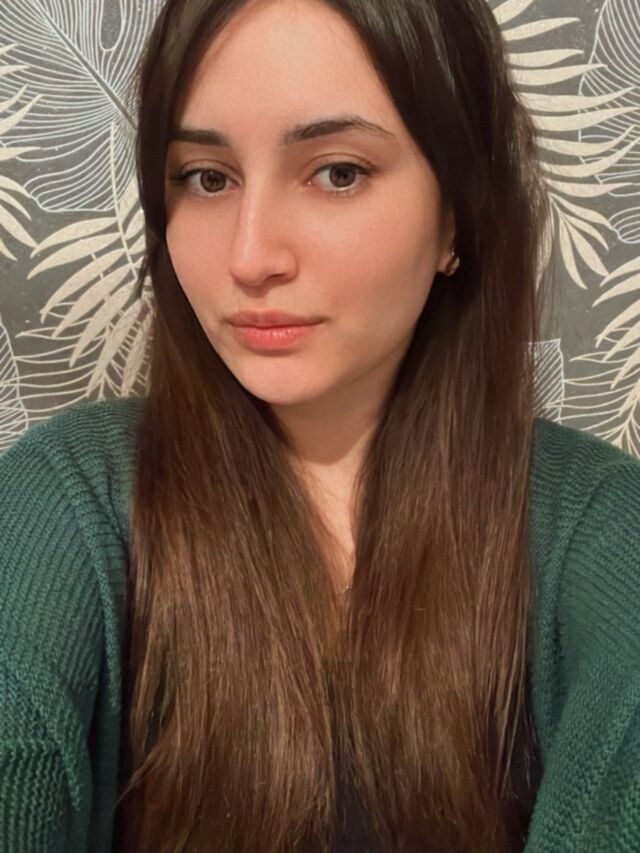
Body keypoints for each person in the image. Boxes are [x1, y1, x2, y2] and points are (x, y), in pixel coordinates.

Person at [1, 0, 640, 850]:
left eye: (337, 172)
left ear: (456, 215)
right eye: (207, 177)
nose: (250, 256)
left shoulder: (601, 530)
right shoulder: (61, 506)